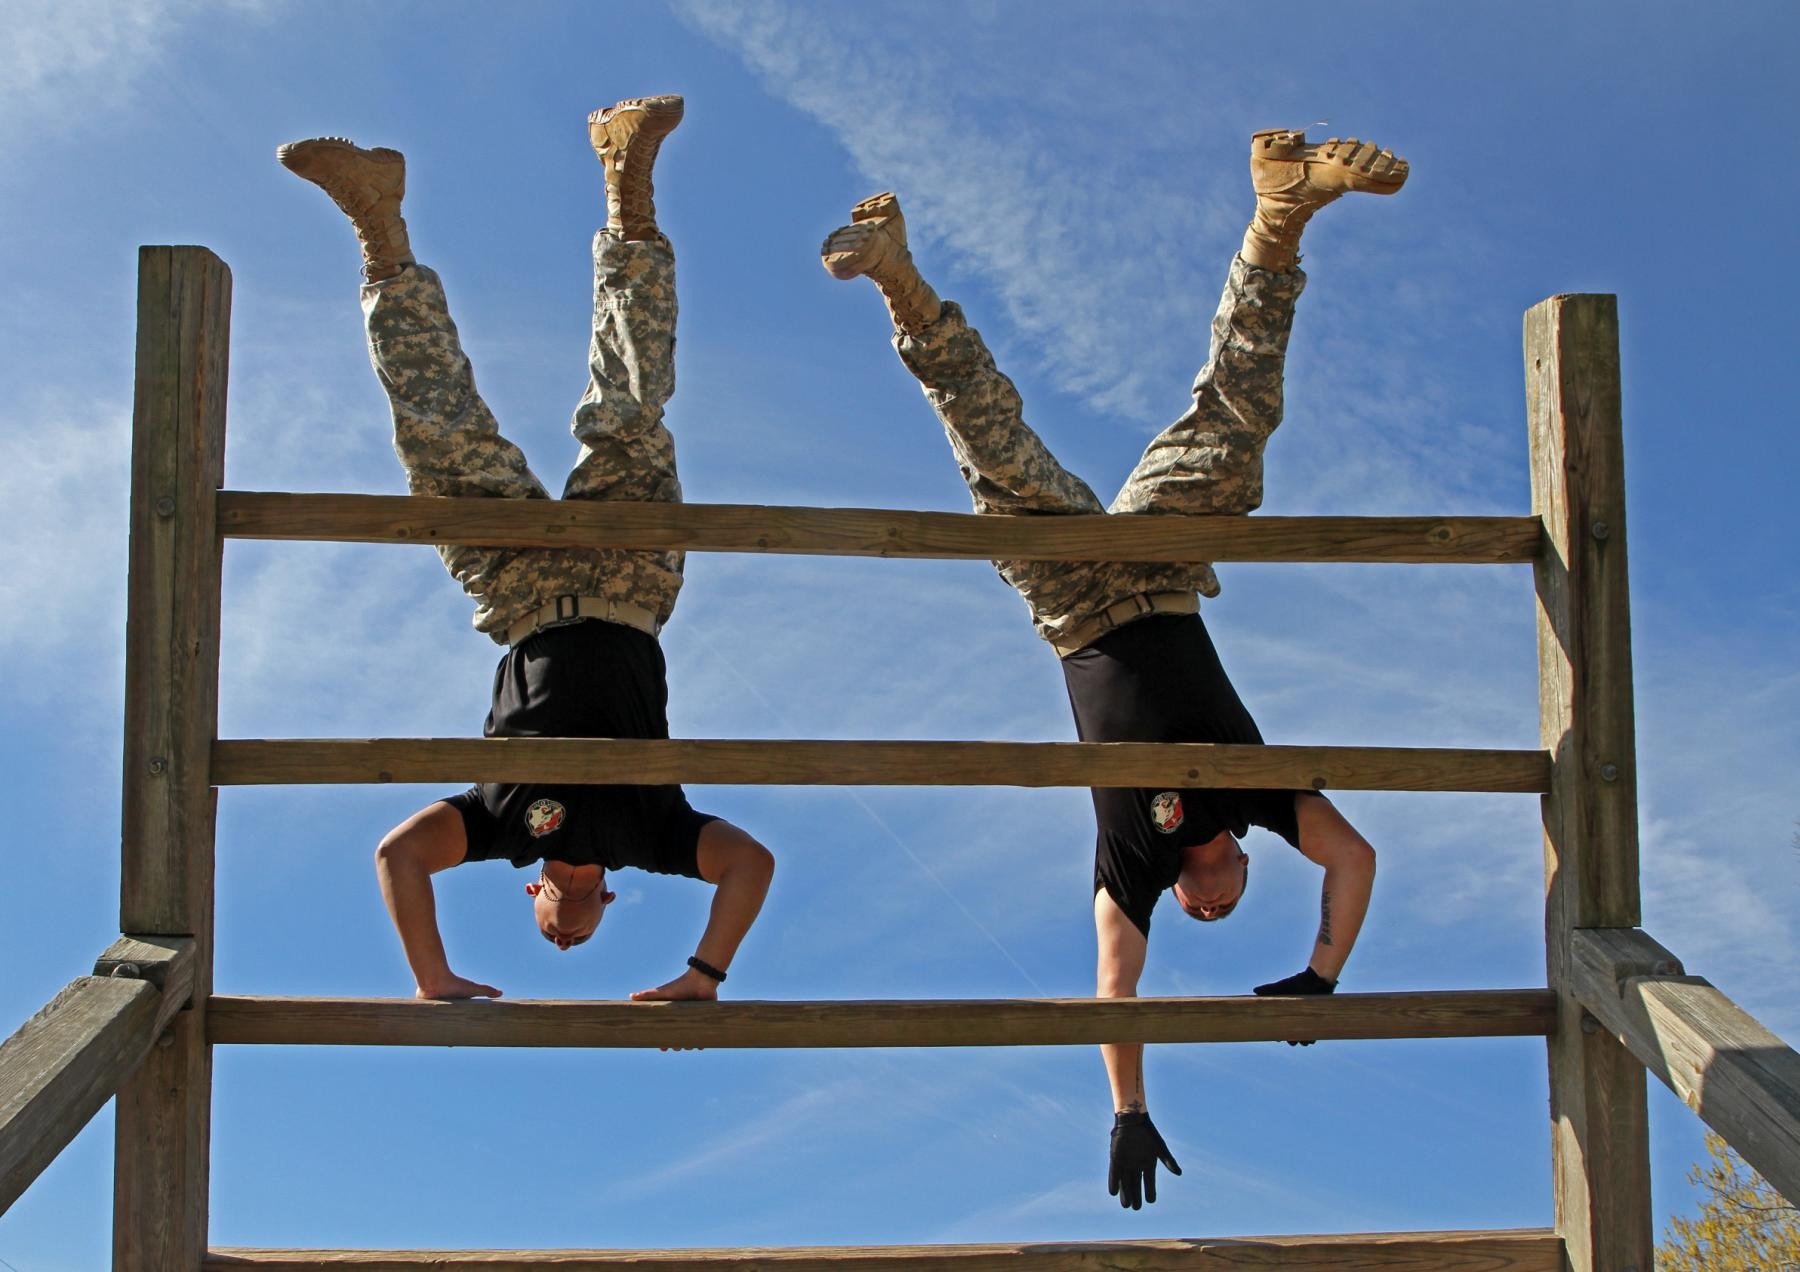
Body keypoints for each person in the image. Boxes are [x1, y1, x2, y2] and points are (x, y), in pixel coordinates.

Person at [821, 129, 1404, 1208]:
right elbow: (1356, 858)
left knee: (991, 446)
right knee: (1234, 428)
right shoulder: (1266, 800)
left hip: (1075, 606)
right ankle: (1281, 212)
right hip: (1163, 571)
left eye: (1202, 919)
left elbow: (1113, 987)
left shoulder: (1133, 860)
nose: (1210, 907)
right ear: (1240, 870)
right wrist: (1322, 978)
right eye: (1229, 910)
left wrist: (1127, 1107)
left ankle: (897, 276)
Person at [278, 95, 774, 1004]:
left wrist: (431, 980)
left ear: (532, 893)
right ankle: (627, 188)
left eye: (552, 939)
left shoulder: (502, 825)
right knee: (628, 408)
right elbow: (751, 864)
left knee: (436, 437)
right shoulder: (650, 837)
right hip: (628, 585)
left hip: (516, 595)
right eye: (581, 940)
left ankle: (378, 225)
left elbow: (399, 856)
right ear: (604, 899)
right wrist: (705, 977)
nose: (566, 940)